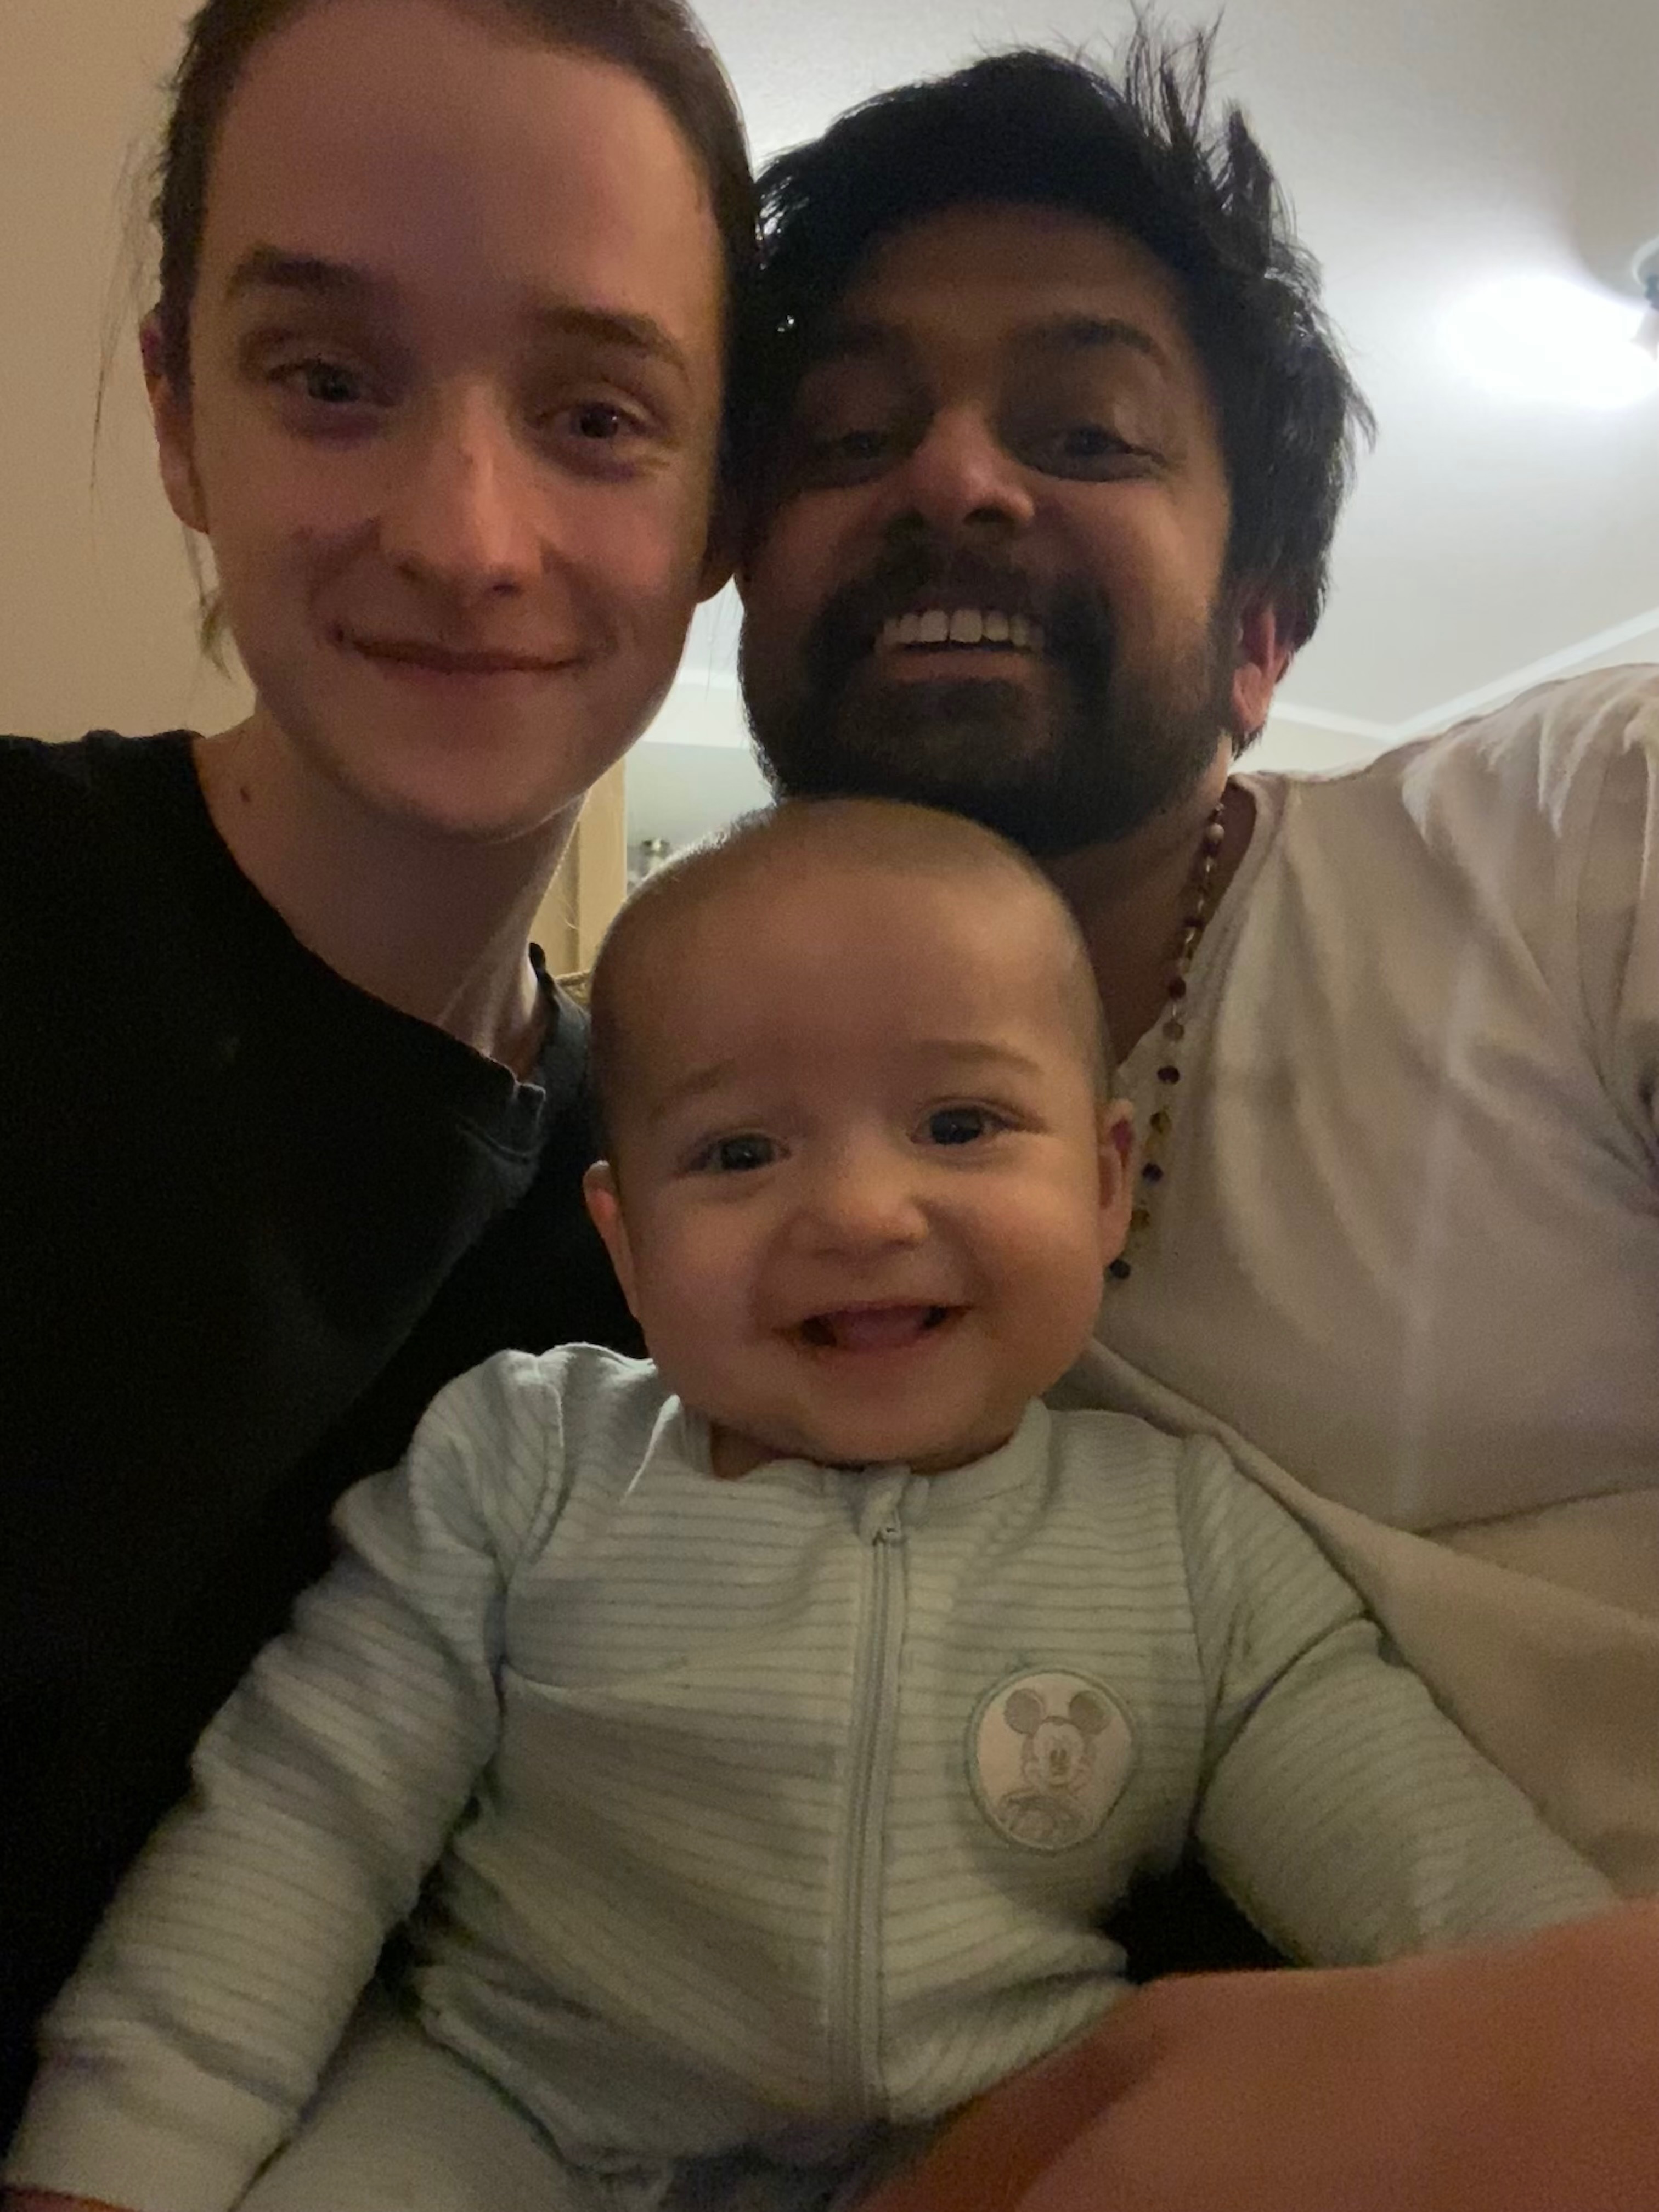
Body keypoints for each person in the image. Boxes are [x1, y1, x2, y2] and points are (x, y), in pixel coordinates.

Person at [3, 799, 1615, 2212]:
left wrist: (1596, 2038)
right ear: (627, 1245)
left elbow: (1439, 1878)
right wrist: (120, 2156)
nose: (856, 1210)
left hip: (982, 2128)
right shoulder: (522, 1460)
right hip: (507, 2106)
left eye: (960, 1125)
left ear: (1104, 1179)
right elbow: (302, 1820)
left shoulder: (1192, 1542)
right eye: (740, 1152)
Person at [730, 32, 1659, 2212]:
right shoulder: (694, 1188)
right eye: (851, 437)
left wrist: (1507, 2071)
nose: (956, 481)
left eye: (1083, 430)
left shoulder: (1578, 839)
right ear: (742, 590)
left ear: (1261, 636)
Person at [0, 0, 751, 2146]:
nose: (465, 534)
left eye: (597, 414)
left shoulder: (677, 1236)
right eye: (331, 380)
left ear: (722, 499)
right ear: (180, 412)